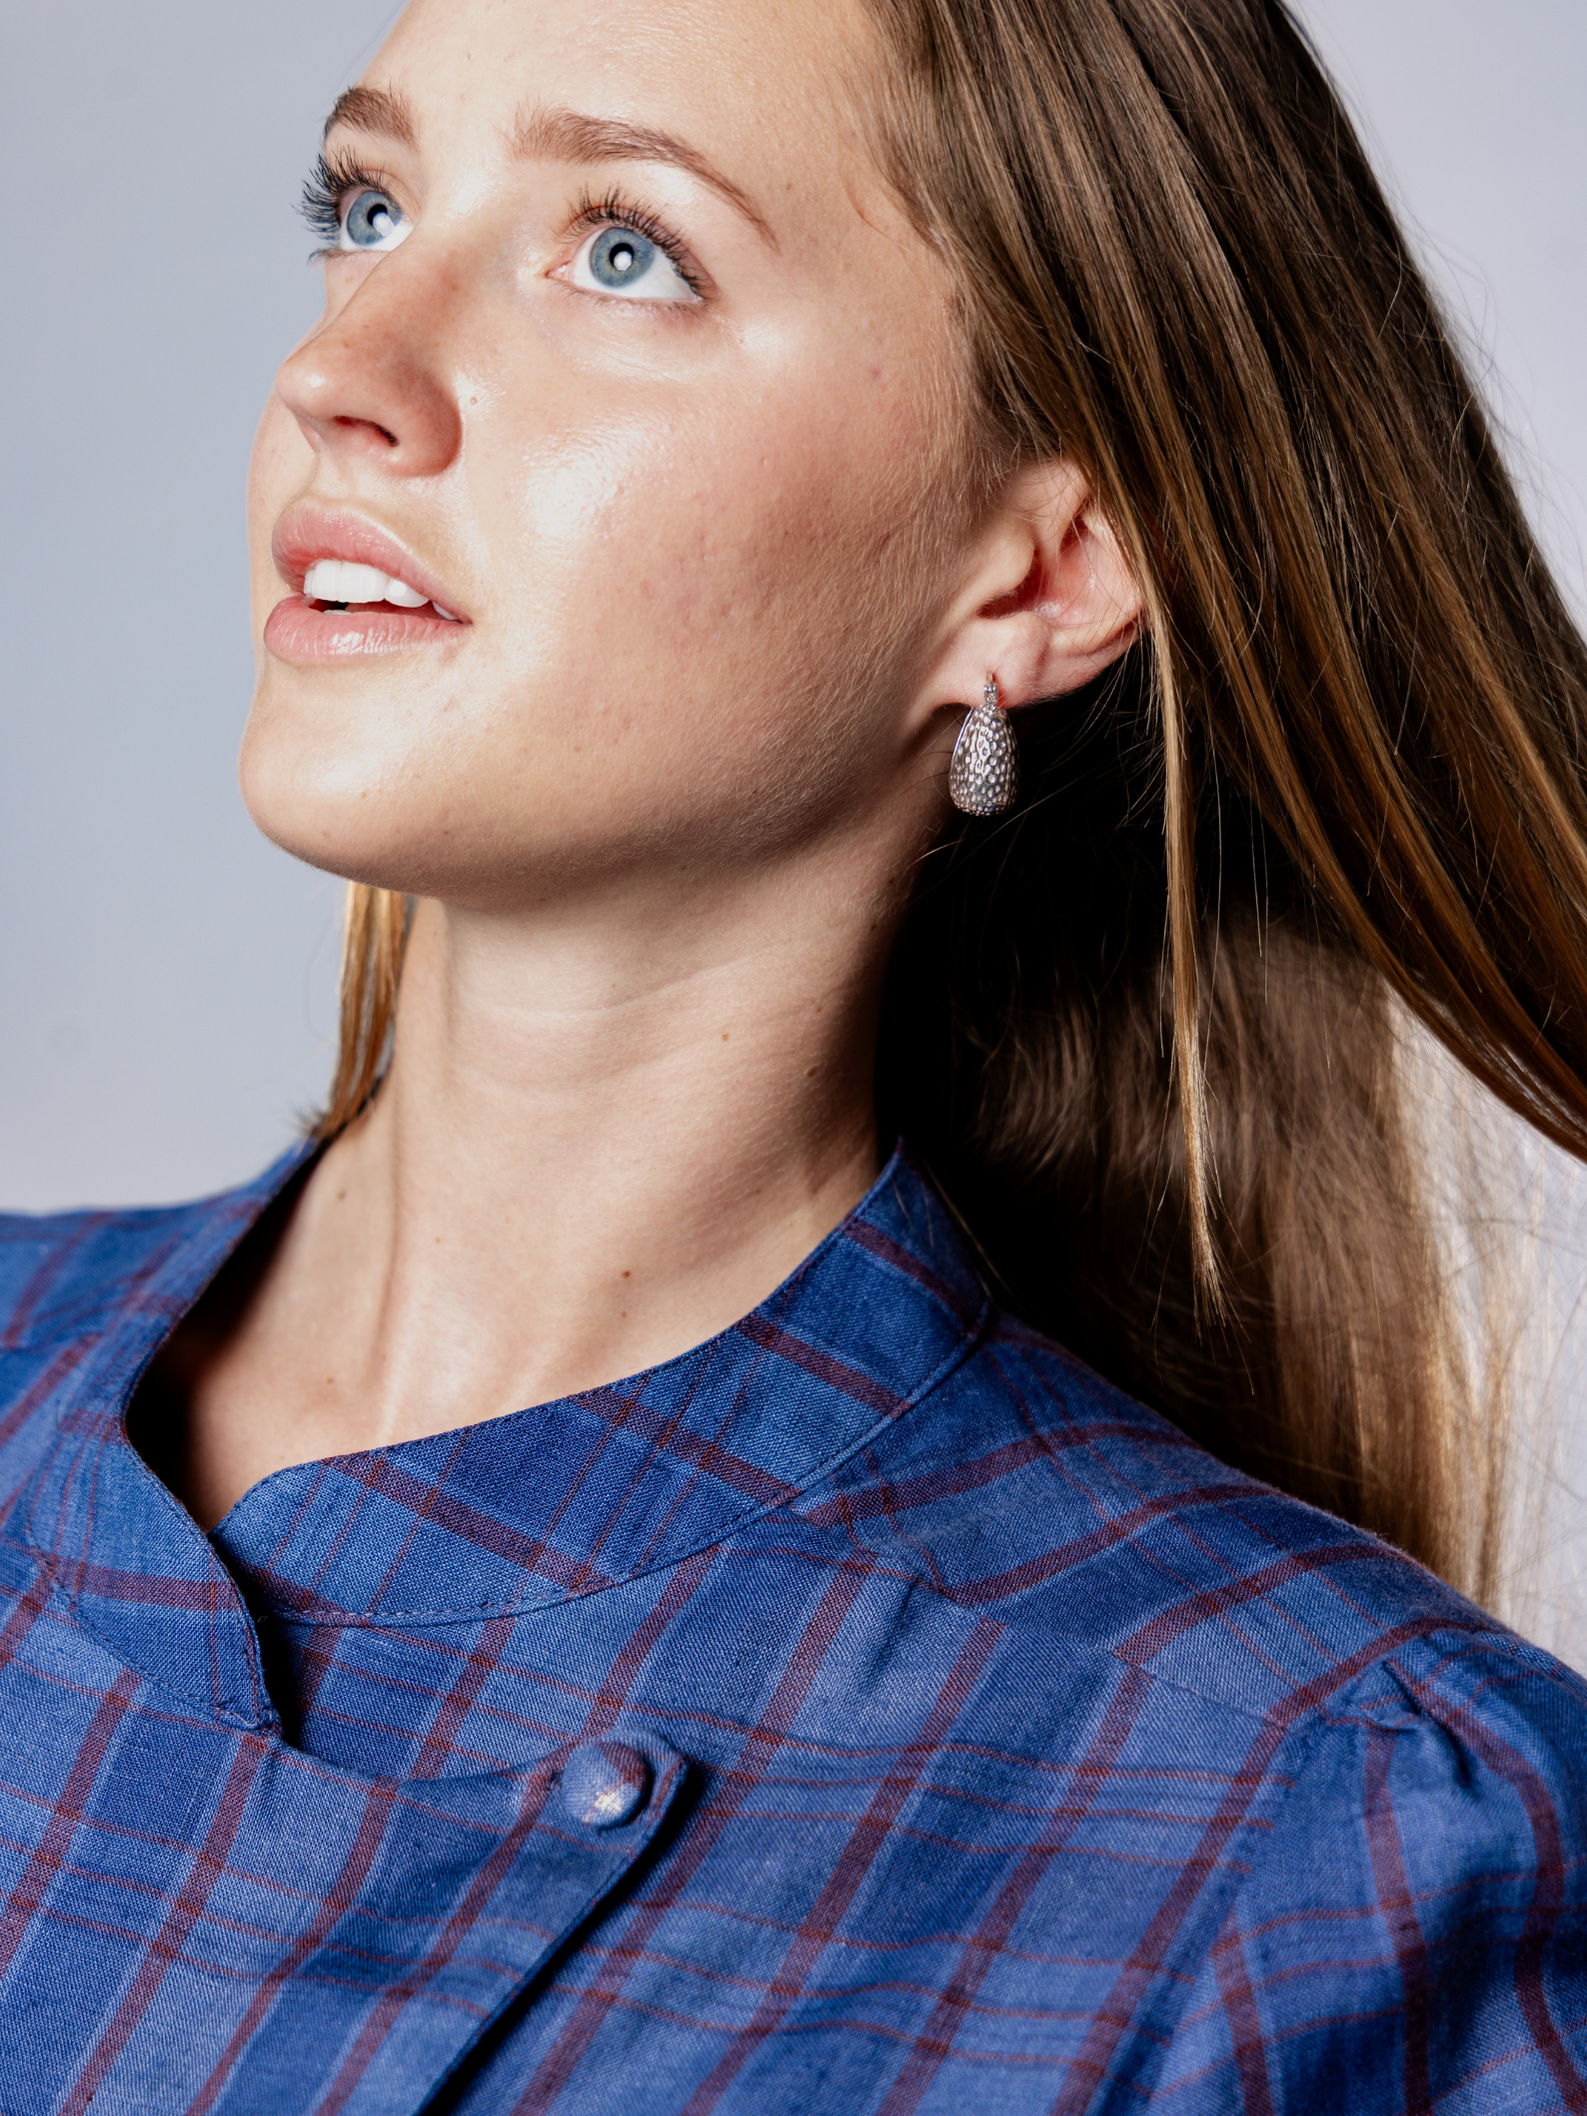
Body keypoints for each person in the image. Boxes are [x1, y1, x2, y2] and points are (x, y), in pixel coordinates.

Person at [1, 0, 1584, 2106]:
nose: (339, 373)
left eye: (625, 250)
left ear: (1038, 566)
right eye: (366, 203)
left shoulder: (1313, 1834)